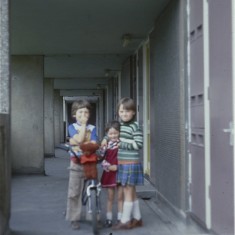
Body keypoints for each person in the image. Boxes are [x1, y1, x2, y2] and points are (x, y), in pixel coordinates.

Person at [65, 99, 98, 230]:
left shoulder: (93, 128)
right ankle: (74, 217)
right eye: (80, 112)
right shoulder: (72, 127)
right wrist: (83, 129)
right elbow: (78, 139)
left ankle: (94, 216)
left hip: (90, 162)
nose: (83, 114)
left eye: (86, 112)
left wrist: (77, 142)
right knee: (74, 191)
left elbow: (94, 143)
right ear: (74, 114)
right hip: (76, 163)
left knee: (93, 190)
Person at [112, 97, 144, 230]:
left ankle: (125, 221)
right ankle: (137, 218)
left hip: (131, 163)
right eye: (121, 111)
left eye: (127, 111)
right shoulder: (121, 125)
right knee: (132, 191)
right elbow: (111, 136)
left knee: (127, 191)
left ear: (133, 112)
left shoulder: (135, 126)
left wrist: (121, 143)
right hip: (122, 163)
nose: (124, 114)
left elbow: (138, 144)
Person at [100, 120, 123, 228]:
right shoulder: (105, 145)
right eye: (110, 133)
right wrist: (108, 167)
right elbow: (101, 159)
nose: (113, 135)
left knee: (120, 197)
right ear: (107, 134)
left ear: (119, 132)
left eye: (115, 133)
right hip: (109, 173)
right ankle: (108, 219)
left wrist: (117, 167)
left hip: (121, 172)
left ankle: (120, 219)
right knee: (110, 197)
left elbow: (126, 159)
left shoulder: (122, 144)